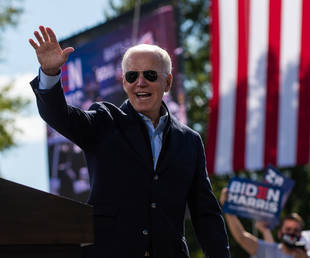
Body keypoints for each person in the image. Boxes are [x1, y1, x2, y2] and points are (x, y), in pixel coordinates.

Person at [28, 26, 230, 258]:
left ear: (168, 82)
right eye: (132, 76)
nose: (140, 82)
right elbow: (58, 115)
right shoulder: (104, 121)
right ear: (124, 82)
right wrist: (50, 73)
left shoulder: (190, 141)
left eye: (150, 75)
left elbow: (206, 214)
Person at [220, 188, 308, 258]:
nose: (292, 233)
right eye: (288, 229)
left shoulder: (309, 256)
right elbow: (241, 237)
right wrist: (227, 208)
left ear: (300, 235)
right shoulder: (269, 250)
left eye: (296, 230)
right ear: (279, 233)